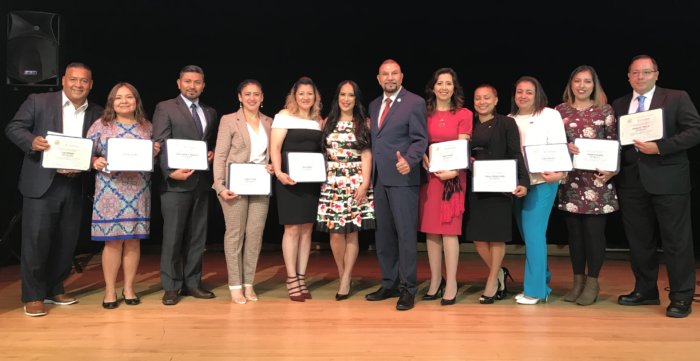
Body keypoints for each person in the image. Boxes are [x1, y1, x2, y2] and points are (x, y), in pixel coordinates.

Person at [5, 62, 103, 317]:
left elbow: (100, 145)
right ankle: (34, 295)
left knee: (66, 240)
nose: (78, 85)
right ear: (64, 80)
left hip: (74, 183)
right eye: (74, 79)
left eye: (84, 81)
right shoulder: (38, 100)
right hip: (42, 181)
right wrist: (32, 141)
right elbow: (14, 128)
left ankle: (55, 288)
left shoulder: (97, 112)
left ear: (90, 85)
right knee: (36, 241)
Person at [612, 55, 700, 318]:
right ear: (628, 76)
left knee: (677, 242)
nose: (640, 77)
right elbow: (614, 142)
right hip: (631, 182)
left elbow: (695, 130)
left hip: (669, 180)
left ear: (656, 74)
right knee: (640, 242)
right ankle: (646, 290)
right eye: (635, 73)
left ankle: (682, 296)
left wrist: (659, 147)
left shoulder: (676, 97)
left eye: (646, 72)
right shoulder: (619, 104)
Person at [87, 82, 160, 309]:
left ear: (136, 101)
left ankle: (129, 287)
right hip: (110, 191)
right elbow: (85, 152)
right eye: (118, 98)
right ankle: (110, 290)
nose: (124, 101)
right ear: (112, 102)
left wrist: (154, 153)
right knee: (112, 242)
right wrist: (93, 161)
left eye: (129, 97)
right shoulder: (101, 125)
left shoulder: (146, 127)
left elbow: (150, 162)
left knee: (133, 241)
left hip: (137, 190)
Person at [365, 59, 428, 311]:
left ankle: (408, 288)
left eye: (394, 73)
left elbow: (420, 139)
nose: (389, 78)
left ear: (401, 76)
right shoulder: (373, 104)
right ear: (378, 78)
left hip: (403, 179)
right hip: (379, 179)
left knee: (405, 235)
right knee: (384, 236)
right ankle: (389, 283)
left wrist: (410, 161)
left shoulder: (415, 102)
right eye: (384, 74)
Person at [153, 65, 219, 306]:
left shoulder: (210, 112)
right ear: (179, 83)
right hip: (175, 184)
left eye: (197, 82)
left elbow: (206, 145)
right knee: (172, 236)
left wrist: (209, 155)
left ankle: (192, 282)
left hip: (201, 183)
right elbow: (160, 141)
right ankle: (171, 286)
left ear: (203, 85)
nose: (192, 86)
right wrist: (170, 173)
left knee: (197, 237)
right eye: (188, 81)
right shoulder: (166, 107)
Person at [555, 65, 619, 306]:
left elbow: (615, 143)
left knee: (594, 235)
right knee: (575, 236)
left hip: (597, 182)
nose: (582, 86)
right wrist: (564, 148)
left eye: (587, 82)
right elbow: (551, 145)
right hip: (570, 181)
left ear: (595, 85)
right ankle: (577, 281)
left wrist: (612, 170)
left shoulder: (605, 110)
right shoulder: (559, 111)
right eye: (577, 81)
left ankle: (592, 282)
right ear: (571, 84)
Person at [465, 84, 528, 304]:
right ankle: (500, 272)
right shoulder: (468, 124)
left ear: (496, 100)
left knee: (497, 235)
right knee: (478, 237)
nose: (482, 102)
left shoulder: (507, 123)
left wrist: (523, 181)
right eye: (477, 98)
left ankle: (492, 281)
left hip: (501, 185)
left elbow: (515, 153)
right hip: (477, 186)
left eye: (486, 98)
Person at [212, 79, 273, 304]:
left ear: (262, 97)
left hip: (259, 184)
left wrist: (273, 165)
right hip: (234, 186)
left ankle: (249, 283)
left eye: (256, 94)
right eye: (247, 94)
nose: (251, 98)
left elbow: (273, 153)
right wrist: (220, 186)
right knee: (235, 235)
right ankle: (235, 285)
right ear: (239, 97)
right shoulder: (229, 120)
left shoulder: (269, 121)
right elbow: (219, 155)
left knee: (255, 235)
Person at [509, 76, 567, 305]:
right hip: (517, 185)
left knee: (533, 234)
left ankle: (535, 291)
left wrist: (560, 172)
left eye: (529, 92)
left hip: (543, 181)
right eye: (519, 91)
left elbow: (559, 146)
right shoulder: (509, 119)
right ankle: (543, 280)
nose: (523, 96)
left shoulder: (549, 115)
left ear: (537, 94)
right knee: (529, 235)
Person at [316, 80, 375, 301]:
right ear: (337, 97)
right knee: (335, 232)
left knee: (352, 232)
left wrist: (364, 182)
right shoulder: (327, 123)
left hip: (355, 181)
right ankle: (343, 276)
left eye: (351, 95)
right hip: (332, 182)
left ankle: (346, 277)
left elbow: (367, 154)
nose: (346, 99)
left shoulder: (364, 123)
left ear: (356, 99)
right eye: (343, 94)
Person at [418, 68, 472, 306]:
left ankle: (451, 282)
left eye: (448, 83)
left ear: (454, 87)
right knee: (431, 230)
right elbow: (419, 141)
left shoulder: (464, 113)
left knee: (449, 231)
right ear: (433, 87)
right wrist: (421, 156)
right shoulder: (423, 112)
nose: (443, 87)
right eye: (439, 83)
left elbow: (463, 148)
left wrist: (454, 170)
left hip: (453, 178)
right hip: (430, 177)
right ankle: (434, 281)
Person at [270, 76, 323, 302]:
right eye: (301, 94)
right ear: (294, 96)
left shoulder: (318, 120)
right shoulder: (283, 116)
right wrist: (280, 173)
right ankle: (291, 278)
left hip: (311, 181)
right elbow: (275, 147)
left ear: (315, 97)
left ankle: (301, 277)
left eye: (309, 94)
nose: (305, 97)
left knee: (307, 229)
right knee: (292, 229)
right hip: (288, 181)